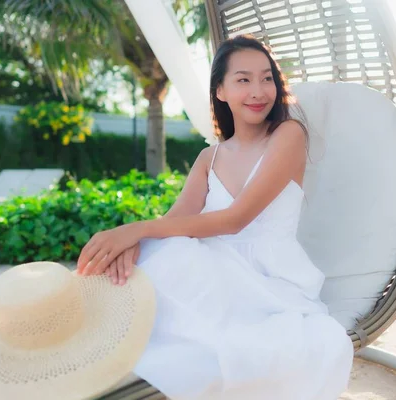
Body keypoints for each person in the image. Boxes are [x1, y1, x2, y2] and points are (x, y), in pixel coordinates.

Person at [77, 34, 354, 400]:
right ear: (220, 91)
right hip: (213, 270)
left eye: (266, 78)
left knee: (176, 258)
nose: (258, 90)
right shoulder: (209, 158)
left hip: (269, 279)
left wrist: (136, 229)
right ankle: (81, 351)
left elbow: (234, 220)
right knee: (162, 254)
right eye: (243, 79)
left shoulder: (288, 135)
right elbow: (174, 223)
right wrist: (136, 243)